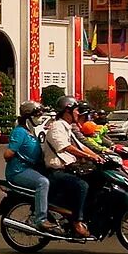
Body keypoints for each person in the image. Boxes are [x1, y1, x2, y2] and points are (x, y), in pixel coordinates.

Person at [42, 97, 103, 237]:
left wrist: (99, 156)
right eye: (76, 110)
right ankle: (77, 221)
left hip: (69, 168)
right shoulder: (57, 127)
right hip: (57, 171)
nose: (78, 113)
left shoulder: (67, 127)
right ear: (67, 111)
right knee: (82, 185)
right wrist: (89, 157)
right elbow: (65, 147)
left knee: (98, 180)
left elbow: (81, 146)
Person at [4, 101, 60, 235]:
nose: (40, 117)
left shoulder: (32, 131)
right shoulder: (20, 132)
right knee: (43, 182)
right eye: (37, 115)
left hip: (32, 169)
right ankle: (40, 219)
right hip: (19, 171)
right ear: (28, 116)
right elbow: (8, 154)